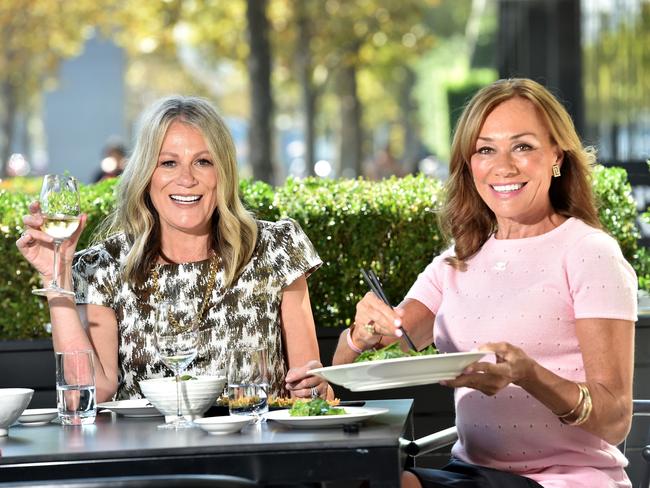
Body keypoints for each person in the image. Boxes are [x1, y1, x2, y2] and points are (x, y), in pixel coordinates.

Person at [332, 78, 637, 487]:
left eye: (523, 146)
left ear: (556, 157)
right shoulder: (455, 262)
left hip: (567, 478)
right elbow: (351, 363)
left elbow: (616, 419)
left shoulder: (589, 253)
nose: (503, 166)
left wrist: (529, 374)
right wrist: (362, 332)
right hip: (472, 474)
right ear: (469, 164)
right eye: (485, 149)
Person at [18, 95, 331, 402]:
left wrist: (315, 388)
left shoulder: (274, 249)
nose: (186, 179)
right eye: (168, 163)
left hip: (253, 448)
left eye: (203, 162)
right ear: (146, 175)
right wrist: (55, 278)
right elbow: (93, 390)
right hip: (147, 451)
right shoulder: (106, 266)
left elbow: (309, 386)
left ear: (223, 174)